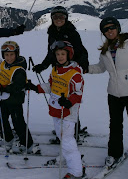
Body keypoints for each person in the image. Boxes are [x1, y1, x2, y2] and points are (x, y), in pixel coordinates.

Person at [87, 17, 128, 178]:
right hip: (114, 93)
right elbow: (101, 68)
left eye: (112, 28)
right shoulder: (105, 50)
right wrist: (84, 68)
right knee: (115, 126)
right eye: (106, 29)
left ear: (118, 28)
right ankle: (115, 153)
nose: (109, 31)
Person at [27, 41, 85, 179]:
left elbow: (78, 93)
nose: (60, 57)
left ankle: (77, 171)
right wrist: (36, 88)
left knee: (67, 140)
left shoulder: (75, 74)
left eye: (63, 54)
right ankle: (69, 159)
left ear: (69, 55)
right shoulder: (55, 70)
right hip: (56, 109)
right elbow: (51, 86)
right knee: (61, 137)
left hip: (68, 112)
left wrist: (68, 101)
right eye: (58, 54)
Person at [32, 5, 89, 141]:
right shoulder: (52, 33)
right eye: (55, 17)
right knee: (58, 96)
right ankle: (62, 129)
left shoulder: (72, 33)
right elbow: (51, 53)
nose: (58, 19)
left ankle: (71, 132)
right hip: (58, 70)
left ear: (66, 18)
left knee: (70, 99)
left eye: (61, 17)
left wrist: (82, 65)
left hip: (69, 70)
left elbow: (81, 50)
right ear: (52, 19)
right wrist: (43, 65)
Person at [0, 41, 40, 154]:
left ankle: (28, 144)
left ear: (16, 54)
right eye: (6, 55)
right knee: (0, 118)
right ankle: (7, 138)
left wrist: (2, 88)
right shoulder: (4, 64)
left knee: (18, 122)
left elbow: (17, 86)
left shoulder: (19, 70)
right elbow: (4, 77)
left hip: (15, 99)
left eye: (12, 54)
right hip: (4, 98)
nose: (9, 57)